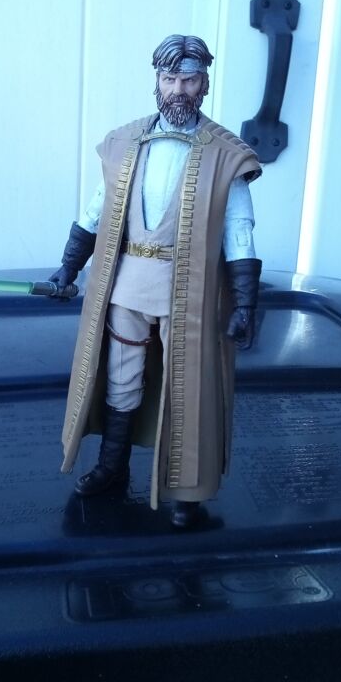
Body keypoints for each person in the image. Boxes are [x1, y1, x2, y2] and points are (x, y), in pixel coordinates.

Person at [51, 34, 262, 528]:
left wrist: (245, 302)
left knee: (189, 386)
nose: (179, 90)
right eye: (170, 79)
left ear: (204, 84)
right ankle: (112, 465)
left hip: (189, 293)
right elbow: (95, 212)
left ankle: (188, 491)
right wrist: (68, 267)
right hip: (127, 285)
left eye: (189, 80)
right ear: (157, 82)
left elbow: (239, 231)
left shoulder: (225, 155)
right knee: (121, 379)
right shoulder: (124, 143)